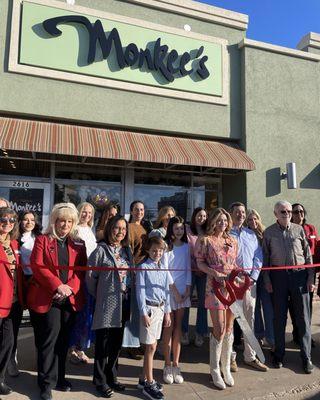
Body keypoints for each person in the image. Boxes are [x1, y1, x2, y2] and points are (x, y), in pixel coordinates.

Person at [28, 202, 87, 400]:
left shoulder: (78, 243)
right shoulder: (43, 240)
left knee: (63, 342)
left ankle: (60, 378)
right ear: (54, 221)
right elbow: (37, 266)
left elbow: (81, 270)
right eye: (62, 220)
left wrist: (69, 288)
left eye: (69, 221)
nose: (65, 225)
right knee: (49, 342)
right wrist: (57, 286)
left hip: (69, 299)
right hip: (49, 298)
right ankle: (45, 383)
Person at [86, 215, 135, 398]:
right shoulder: (100, 250)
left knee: (116, 343)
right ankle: (99, 381)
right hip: (107, 304)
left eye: (123, 229)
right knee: (103, 344)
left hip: (124, 302)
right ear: (109, 229)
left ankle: (112, 377)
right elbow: (90, 278)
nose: (120, 232)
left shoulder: (127, 251)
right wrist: (100, 295)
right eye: (117, 228)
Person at [263, 200, 314, 374]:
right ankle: (278, 355)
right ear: (275, 213)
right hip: (278, 278)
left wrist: (310, 277)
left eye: (289, 211)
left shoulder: (299, 230)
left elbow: (308, 256)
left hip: (300, 276)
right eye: (283, 211)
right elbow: (265, 259)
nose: (287, 214)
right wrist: (267, 280)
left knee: (303, 319)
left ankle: (306, 357)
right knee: (279, 318)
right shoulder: (268, 233)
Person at [195, 208, 238, 389]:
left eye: (225, 220)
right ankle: (214, 369)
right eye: (219, 220)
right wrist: (214, 273)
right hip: (214, 287)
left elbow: (234, 262)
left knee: (229, 328)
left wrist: (240, 277)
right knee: (219, 328)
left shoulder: (232, 240)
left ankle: (225, 367)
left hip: (232, 287)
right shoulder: (205, 240)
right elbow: (200, 262)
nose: (223, 223)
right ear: (213, 221)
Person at [229, 202, 268, 372]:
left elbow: (258, 257)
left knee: (248, 318)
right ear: (231, 214)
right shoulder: (225, 234)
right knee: (229, 320)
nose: (240, 215)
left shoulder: (251, 234)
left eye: (243, 212)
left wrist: (253, 277)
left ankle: (250, 356)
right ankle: (229, 357)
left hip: (249, 283)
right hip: (231, 283)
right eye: (237, 212)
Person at [136, 236, 172, 400]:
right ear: (148, 250)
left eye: (160, 250)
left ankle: (143, 379)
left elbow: (166, 291)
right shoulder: (143, 267)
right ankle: (149, 384)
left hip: (160, 308)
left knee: (154, 345)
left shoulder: (163, 268)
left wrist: (167, 312)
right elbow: (140, 292)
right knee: (150, 347)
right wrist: (143, 313)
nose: (157, 253)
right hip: (149, 310)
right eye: (154, 250)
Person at [7, 211, 42, 378]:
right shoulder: (14, 240)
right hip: (20, 282)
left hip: (37, 283)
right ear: (19, 222)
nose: (29, 222)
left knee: (38, 323)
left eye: (32, 219)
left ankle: (41, 360)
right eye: (25, 219)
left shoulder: (41, 238)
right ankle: (11, 360)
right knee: (14, 323)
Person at [162, 216, 191, 385]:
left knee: (178, 328)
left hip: (183, 291)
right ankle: (166, 364)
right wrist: (174, 291)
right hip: (168, 291)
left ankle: (176, 365)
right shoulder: (166, 247)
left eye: (181, 228)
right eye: (176, 228)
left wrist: (187, 289)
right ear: (171, 229)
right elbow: (165, 270)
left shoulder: (187, 247)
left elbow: (188, 268)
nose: (179, 231)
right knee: (168, 327)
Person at [69, 202, 97, 364]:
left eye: (89, 212)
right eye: (84, 212)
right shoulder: (75, 230)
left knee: (88, 314)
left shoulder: (89, 230)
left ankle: (80, 348)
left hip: (91, 276)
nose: (86, 215)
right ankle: (73, 348)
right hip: (79, 277)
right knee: (79, 313)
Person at [0, 207, 23, 397]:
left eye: (11, 220)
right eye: (3, 219)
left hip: (13, 301)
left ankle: (0, 378)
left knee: (8, 343)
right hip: (0, 300)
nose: (7, 223)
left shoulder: (14, 243)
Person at [290, 203, 318, 346]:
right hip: (294, 273)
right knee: (295, 307)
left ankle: (306, 335)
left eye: (301, 211)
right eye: (296, 211)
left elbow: (316, 249)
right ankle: (297, 334)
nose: (299, 214)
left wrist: (313, 273)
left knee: (307, 307)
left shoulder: (310, 228)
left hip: (309, 272)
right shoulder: (289, 230)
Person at [246, 209, 274, 350]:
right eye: (250, 220)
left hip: (266, 276)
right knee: (255, 308)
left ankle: (271, 337)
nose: (253, 222)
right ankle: (258, 335)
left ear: (259, 218)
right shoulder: (246, 234)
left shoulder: (266, 233)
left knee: (268, 307)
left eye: (255, 218)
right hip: (252, 276)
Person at [182, 207, 208, 347]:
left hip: (204, 272)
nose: (202, 218)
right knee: (186, 301)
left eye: (204, 216)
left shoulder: (208, 232)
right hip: (189, 271)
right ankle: (184, 331)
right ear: (194, 216)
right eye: (199, 215)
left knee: (204, 303)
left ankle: (200, 333)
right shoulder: (187, 229)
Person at [129, 200, 149, 266]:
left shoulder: (144, 228)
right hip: (135, 266)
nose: (139, 212)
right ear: (131, 212)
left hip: (145, 266)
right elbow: (128, 250)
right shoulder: (129, 227)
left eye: (141, 209)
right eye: (136, 209)